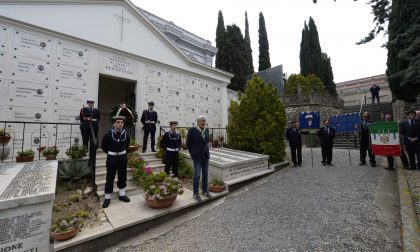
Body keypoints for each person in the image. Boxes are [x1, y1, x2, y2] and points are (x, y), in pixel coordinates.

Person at [101, 116, 131, 208]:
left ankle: (122, 195)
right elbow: (104, 146)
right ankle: (107, 197)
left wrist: (121, 153)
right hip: (111, 158)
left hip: (122, 157)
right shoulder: (108, 135)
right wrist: (112, 153)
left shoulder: (126, 135)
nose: (120, 124)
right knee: (110, 177)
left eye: (122, 122)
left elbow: (127, 146)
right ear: (114, 123)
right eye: (118, 122)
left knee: (122, 176)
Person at [187, 115, 212, 202]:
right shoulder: (192, 130)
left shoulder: (207, 130)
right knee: (197, 174)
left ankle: (205, 191)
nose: (204, 122)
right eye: (202, 121)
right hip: (197, 156)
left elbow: (206, 142)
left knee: (205, 174)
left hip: (205, 156)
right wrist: (192, 154)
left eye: (204, 121)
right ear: (197, 121)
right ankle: (195, 193)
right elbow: (188, 144)